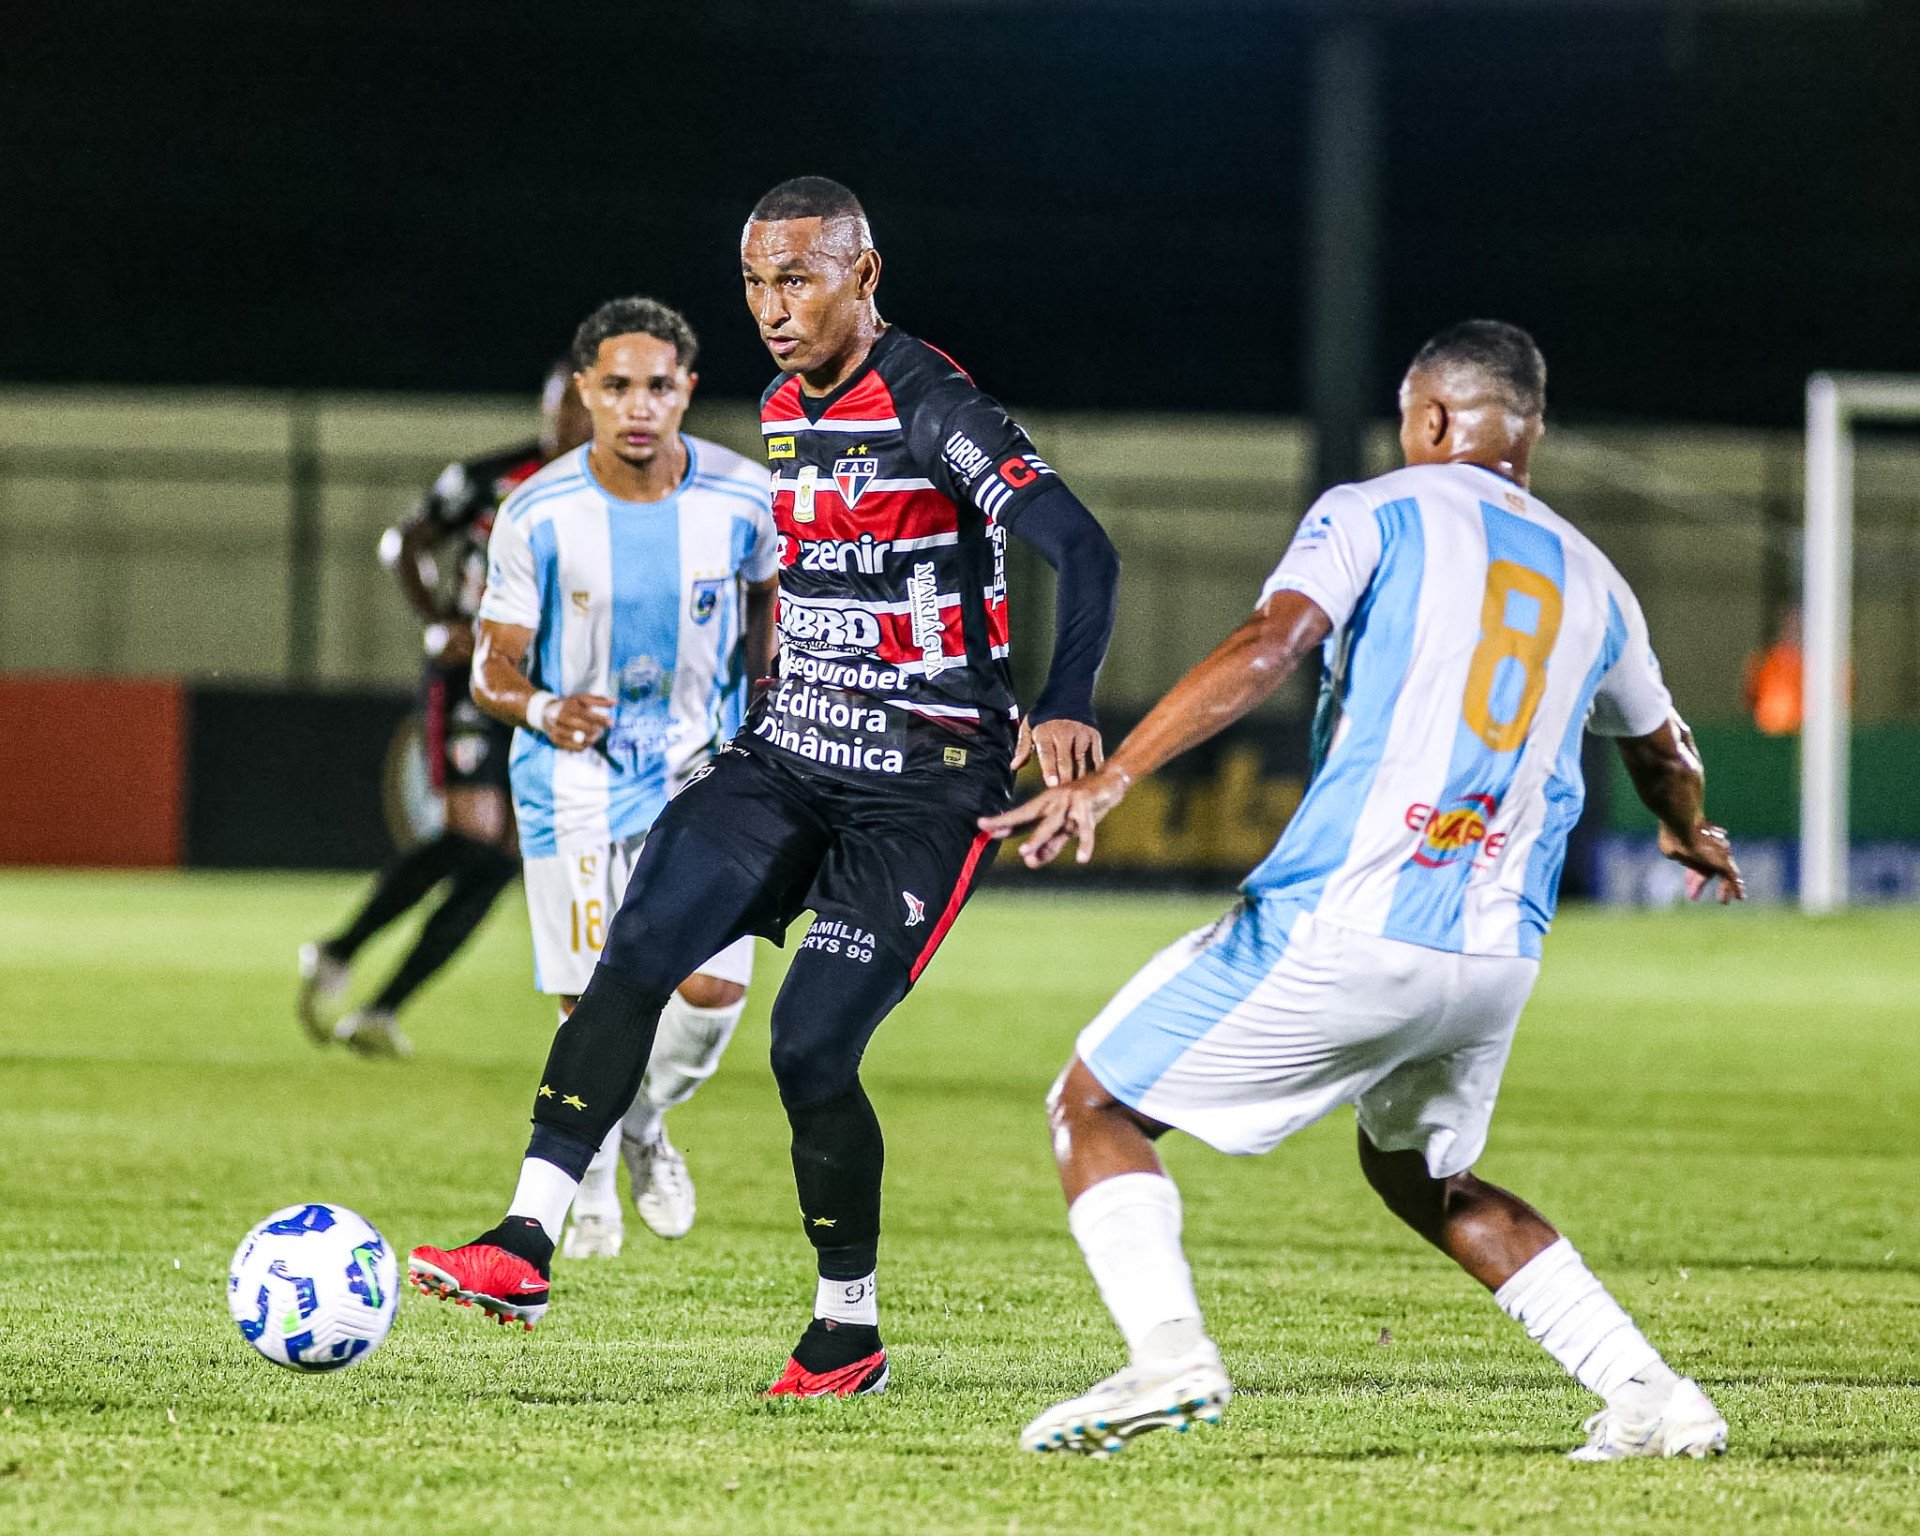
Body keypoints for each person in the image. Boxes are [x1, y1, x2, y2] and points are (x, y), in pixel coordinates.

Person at [409, 177, 1122, 1397]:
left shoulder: (932, 403)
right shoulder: (790, 407)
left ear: (865, 274)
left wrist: (1061, 705)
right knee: (632, 954)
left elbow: (1081, 545)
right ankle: (522, 1241)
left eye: (797, 278)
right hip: (788, 757)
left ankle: (847, 1331)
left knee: (809, 1049)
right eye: (754, 281)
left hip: (922, 788)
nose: (772, 308)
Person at [985, 321, 1746, 1461]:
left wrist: (1118, 773)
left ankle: (1168, 1355)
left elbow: (1271, 640)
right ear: (1526, 430)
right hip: (1495, 957)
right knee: (1421, 1175)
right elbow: (1664, 750)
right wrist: (1692, 837)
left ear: (1432, 420)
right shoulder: (1599, 580)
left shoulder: (1377, 509)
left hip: (1350, 920)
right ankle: (1650, 1394)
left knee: (1092, 1105)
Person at [467, 297, 779, 1258]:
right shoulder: (539, 512)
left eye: (657, 386)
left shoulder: (743, 499)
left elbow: (772, 609)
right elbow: (491, 663)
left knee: (714, 997)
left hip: (705, 775)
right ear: (584, 394)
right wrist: (542, 706)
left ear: (686, 389)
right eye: (615, 387)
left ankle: (642, 1121)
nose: (637, 406)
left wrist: (769, 700)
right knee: (592, 999)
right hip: (575, 781)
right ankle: (592, 1168)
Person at [297, 364, 590, 1058]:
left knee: (498, 860)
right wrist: (436, 619)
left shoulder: (607, 492)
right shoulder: (491, 477)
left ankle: (379, 1005)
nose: (575, 418)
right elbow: (406, 542)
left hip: (542, 686)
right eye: (566, 402)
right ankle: (341, 952)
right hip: (471, 674)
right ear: (547, 406)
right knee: (474, 834)